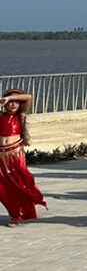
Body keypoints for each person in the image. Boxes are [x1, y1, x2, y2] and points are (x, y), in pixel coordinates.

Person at [0, 90, 45, 226]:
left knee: (20, 184)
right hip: (1, 156)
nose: (13, 104)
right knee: (3, 188)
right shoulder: (1, 116)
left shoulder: (21, 115)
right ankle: (15, 213)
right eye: (10, 102)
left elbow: (29, 97)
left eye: (16, 102)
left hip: (15, 155)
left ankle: (19, 213)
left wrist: (9, 98)